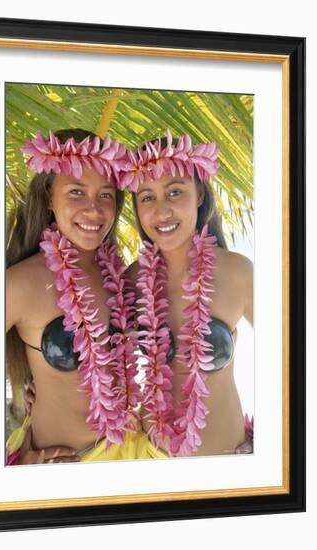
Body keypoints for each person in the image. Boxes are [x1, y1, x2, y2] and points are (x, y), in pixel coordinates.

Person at [5, 128, 164, 464]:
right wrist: (4, 464)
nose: (94, 210)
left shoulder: (129, 278)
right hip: (62, 470)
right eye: (77, 191)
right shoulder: (19, 285)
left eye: (105, 195)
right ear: (49, 196)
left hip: (133, 456)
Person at [119, 129, 254, 458]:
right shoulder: (131, 281)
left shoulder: (237, 272)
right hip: (150, 461)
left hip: (227, 465)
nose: (161, 211)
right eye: (147, 197)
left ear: (200, 197)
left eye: (175, 192)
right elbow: (95, 361)